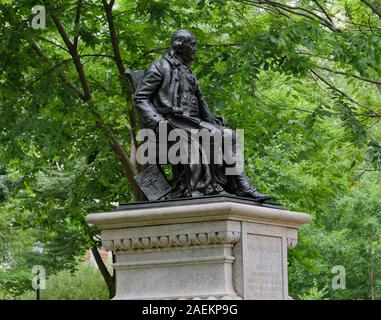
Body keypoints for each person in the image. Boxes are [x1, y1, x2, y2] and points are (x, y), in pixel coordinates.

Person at [133, 30, 271, 201]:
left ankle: (242, 186)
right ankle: (213, 186)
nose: (195, 49)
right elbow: (140, 98)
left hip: (191, 122)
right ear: (179, 46)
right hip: (171, 124)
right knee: (218, 135)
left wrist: (212, 119)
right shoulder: (160, 66)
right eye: (192, 44)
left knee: (230, 135)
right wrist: (158, 122)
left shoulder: (186, 69)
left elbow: (199, 101)